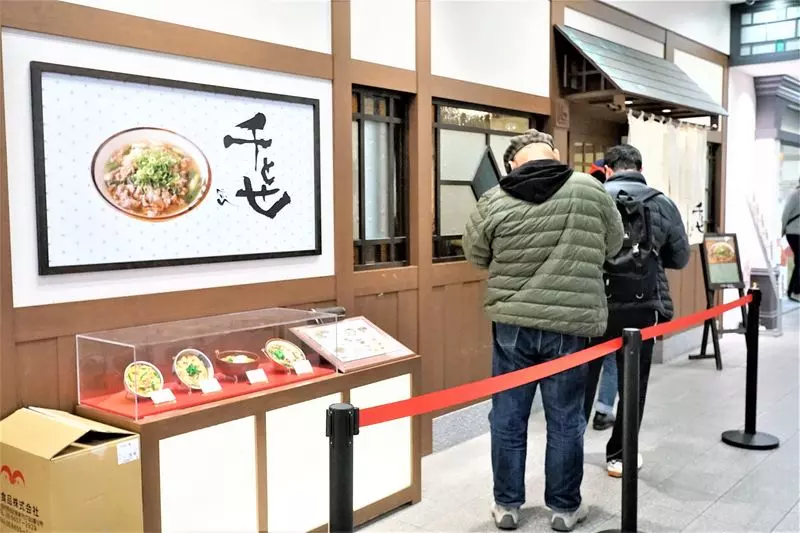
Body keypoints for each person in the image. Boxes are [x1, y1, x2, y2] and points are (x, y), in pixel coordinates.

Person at [463, 129, 624, 531]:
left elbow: (476, 255)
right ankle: (564, 509)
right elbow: (614, 245)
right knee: (566, 418)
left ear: (512, 163)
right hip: (570, 324)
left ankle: (507, 505)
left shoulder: (494, 198)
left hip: (513, 325)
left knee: (508, 416)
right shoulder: (590, 190)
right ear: (553, 153)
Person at [584, 144, 689, 478]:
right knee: (634, 385)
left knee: (580, 383)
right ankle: (619, 456)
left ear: (608, 169)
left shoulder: (590, 198)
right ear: (640, 169)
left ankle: (568, 455)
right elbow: (680, 257)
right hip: (643, 306)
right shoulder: (662, 202)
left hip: (594, 304)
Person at [782, 179, 800, 302]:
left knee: (798, 262)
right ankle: (795, 291)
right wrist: (783, 230)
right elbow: (786, 214)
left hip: (796, 232)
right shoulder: (795, 195)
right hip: (794, 232)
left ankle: (792, 291)